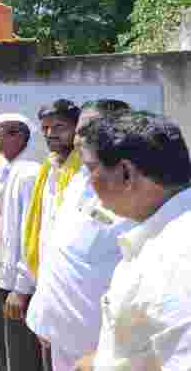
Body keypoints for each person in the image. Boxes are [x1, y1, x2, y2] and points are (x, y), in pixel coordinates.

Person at [73, 112, 191, 371]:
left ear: (126, 173)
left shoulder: (175, 259)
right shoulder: (163, 233)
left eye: (91, 169)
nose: (88, 181)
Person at [26, 100, 133, 371]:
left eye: (89, 129)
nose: (78, 137)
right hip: (61, 335)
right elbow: (57, 251)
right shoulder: (79, 179)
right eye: (79, 130)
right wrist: (44, 315)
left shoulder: (134, 188)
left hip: (101, 348)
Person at [0, 113, 42, 371]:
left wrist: (21, 286)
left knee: (20, 355)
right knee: (6, 351)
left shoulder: (29, 174)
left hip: (16, 283)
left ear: (18, 135)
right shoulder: (8, 169)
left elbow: (31, 233)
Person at [21, 99, 81, 371]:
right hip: (46, 281)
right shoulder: (48, 169)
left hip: (75, 292)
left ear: (77, 129)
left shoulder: (86, 173)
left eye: (59, 126)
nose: (50, 134)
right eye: (45, 128)